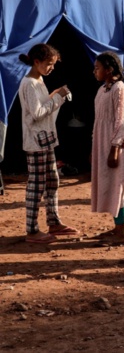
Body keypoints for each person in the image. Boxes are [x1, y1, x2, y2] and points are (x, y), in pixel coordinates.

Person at [18, 43, 80, 244]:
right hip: (36, 141)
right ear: (36, 62)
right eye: (49, 64)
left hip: (46, 139)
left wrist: (55, 95)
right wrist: (58, 98)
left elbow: (43, 107)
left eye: (53, 64)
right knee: (36, 185)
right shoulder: (28, 84)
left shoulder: (39, 81)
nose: (51, 68)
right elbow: (36, 114)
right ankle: (32, 229)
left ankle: (53, 221)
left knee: (52, 180)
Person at [90, 52, 124, 246]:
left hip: (115, 144)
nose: (94, 71)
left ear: (109, 70)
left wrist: (115, 148)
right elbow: (99, 120)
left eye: (97, 68)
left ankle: (122, 233)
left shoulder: (119, 89)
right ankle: (117, 228)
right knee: (108, 185)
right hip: (102, 142)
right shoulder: (101, 90)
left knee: (117, 187)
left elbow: (122, 120)